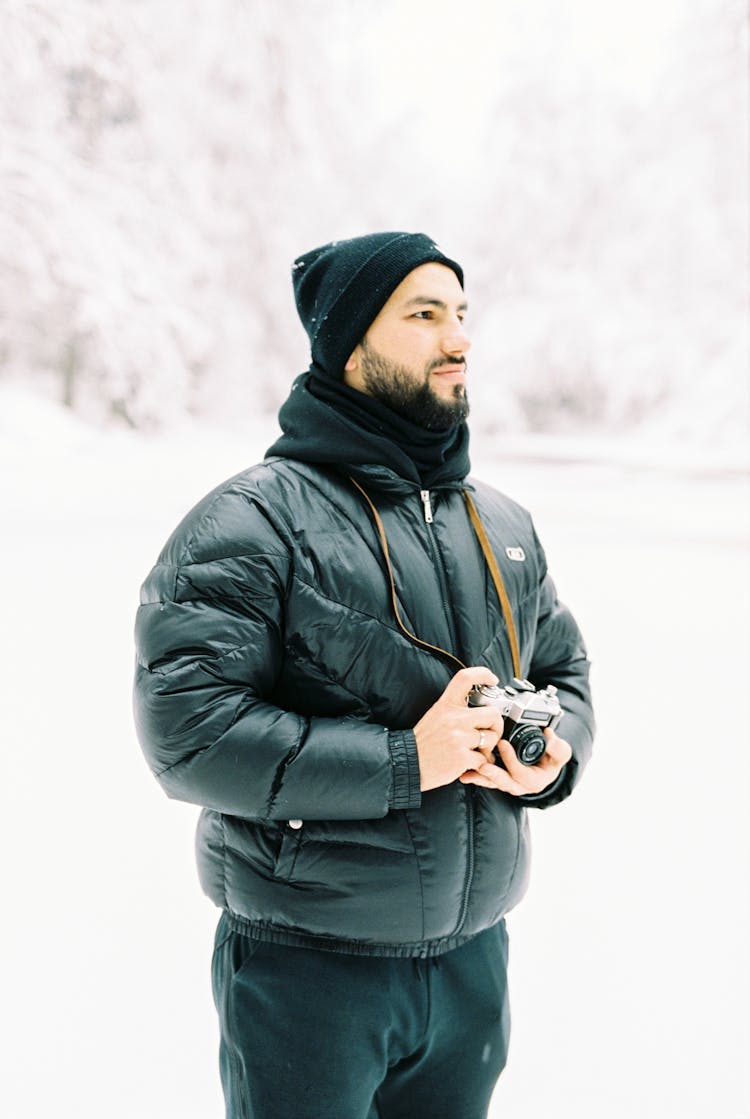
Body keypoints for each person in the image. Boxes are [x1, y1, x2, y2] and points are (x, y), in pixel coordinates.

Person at [133, 231, 595, 1119]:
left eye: (461, 314)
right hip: (308, 971)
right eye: (423, 315)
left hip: (473, 966)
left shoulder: (501, 523)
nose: (458, 338)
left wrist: (554, 754)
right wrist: (402, 760)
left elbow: (565, 670)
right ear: (349, 345)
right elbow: (188, 736)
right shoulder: (248, 523)